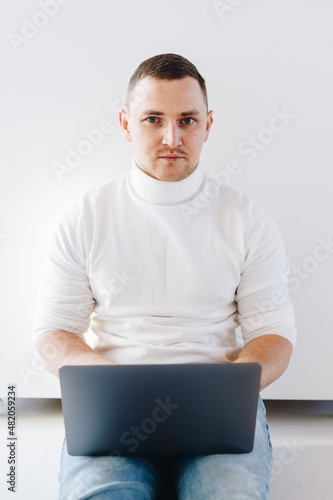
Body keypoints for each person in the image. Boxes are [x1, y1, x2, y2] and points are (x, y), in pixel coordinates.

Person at [33, 53, 296, 500]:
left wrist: (224, 389)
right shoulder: (85, 217)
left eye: (187, 121)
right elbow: (52, 333)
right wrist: (111, 383)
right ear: (125, 123)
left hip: (218, 414)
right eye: (153, 119)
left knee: (228, 494)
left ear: (208, 125)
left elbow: (275, 335)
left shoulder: (247, 220)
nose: (171, 137)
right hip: (114, 412)